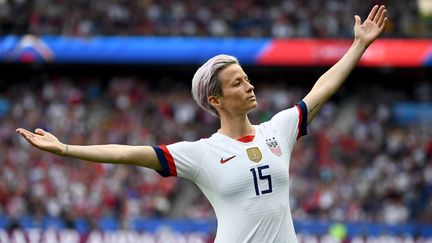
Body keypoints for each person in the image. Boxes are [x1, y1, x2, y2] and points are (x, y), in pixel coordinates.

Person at [16, 5, 387, 243]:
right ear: (216, 99)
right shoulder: (202, 154)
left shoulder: (279, 130)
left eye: (247, 77)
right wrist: (65, 148)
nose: (250, 85)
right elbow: (127, 153)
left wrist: (358, 46)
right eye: (238, 82)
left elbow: (321, 89)